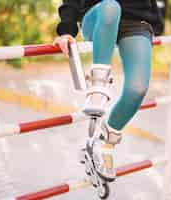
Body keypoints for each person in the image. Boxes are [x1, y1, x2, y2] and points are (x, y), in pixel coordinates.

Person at [53, 0, 163, 182]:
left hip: (136, 21)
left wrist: (156, 20)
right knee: (111, 7)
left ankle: (106, 142)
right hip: (98, 16)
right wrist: (66, 30)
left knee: (137, 89)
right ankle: (97, 87)